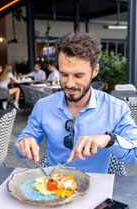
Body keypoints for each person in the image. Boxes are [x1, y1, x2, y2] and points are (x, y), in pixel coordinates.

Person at [14, 32, 137, 173]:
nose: (70, 84)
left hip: (96, 186)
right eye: (64, 74)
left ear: (94, 71)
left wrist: (108, 139)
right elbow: (21, 143)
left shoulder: (116, 109)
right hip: (54, 186)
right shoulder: (43, 106)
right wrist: (25, 141)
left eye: (78, 75)